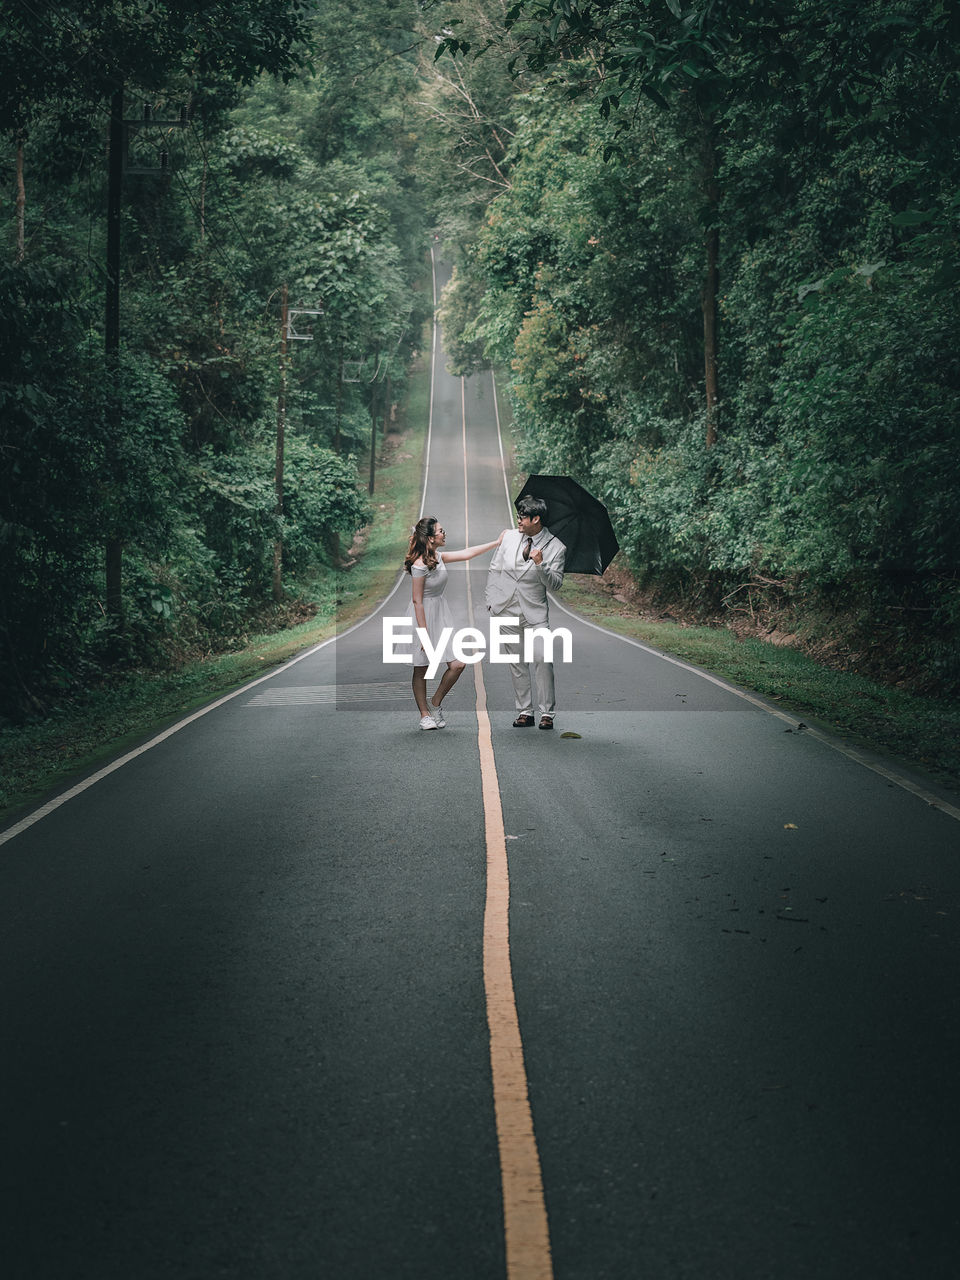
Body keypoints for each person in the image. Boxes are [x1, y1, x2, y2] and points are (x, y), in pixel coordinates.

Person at [404, 517, 503, 730]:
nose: (444, 533)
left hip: (441, 614)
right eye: (441, 531)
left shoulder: (438, 557)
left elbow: (467, 553)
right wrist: (423, 633)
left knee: (458, 664)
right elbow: (417, 600)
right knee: (422, 668)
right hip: (423, 617)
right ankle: (424, 715)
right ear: (430, 538)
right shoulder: (419, 565)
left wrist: (496, 543)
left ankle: (436, 702)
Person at [484, 495, 566, 729]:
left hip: (535, 613)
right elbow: (494, 568)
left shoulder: (556, 547)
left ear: (536, 519)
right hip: (505, 609)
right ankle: (525, 711)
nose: (518, 521)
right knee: (517, 663)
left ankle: (547, 713)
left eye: (522, 517)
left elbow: (556, 584)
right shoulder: (509, 537)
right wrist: (491, 599)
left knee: (543, 659)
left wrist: (541, 564)